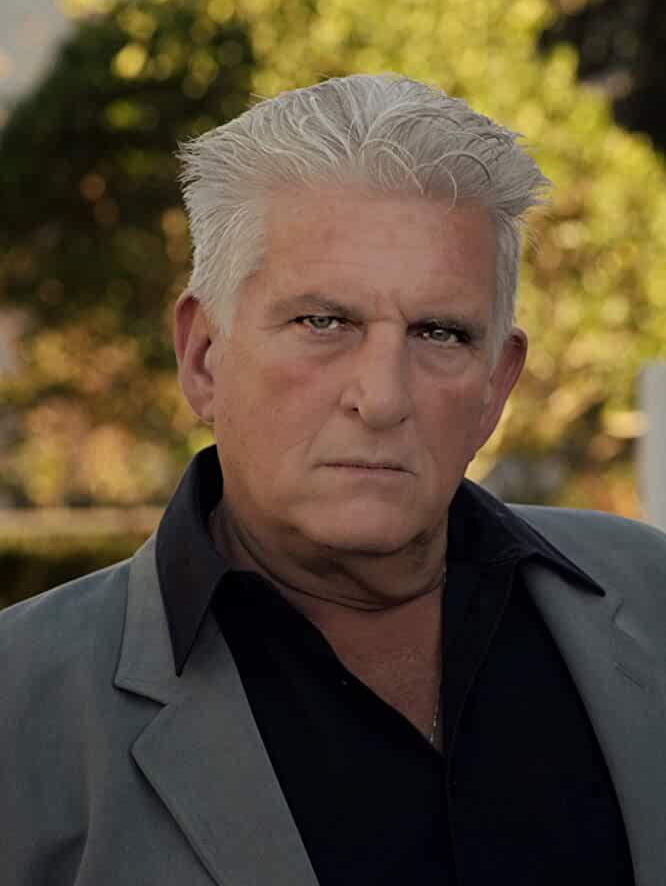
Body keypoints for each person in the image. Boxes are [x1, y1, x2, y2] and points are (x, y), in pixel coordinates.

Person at [1, 74, 664, 886]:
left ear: (496, 384)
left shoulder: (652, 595)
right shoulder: (19, 707)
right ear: (203, 356)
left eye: (440, 332)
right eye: (323, 321)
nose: (381, 398)